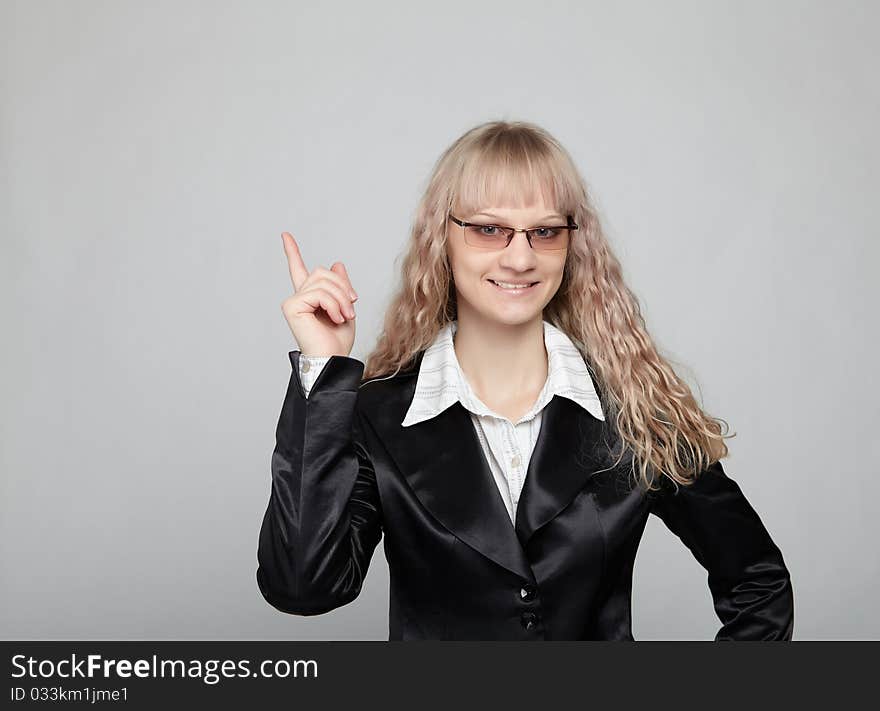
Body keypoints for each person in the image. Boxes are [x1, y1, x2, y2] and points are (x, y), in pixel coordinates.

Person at [256, 120, 794, 640]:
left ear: (571, 245)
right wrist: (324, 372)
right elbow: (304, 588)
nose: (520, 257)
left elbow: (758, 583)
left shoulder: (637, 408)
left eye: (545, 232)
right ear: (441, 238)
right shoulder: (376, 415)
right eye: (489, 229)